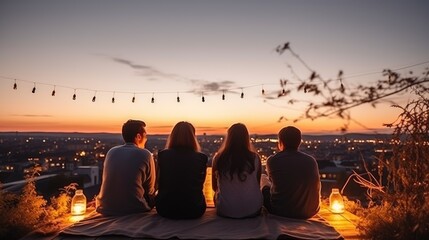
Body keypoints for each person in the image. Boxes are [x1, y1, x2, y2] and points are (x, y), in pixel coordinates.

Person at [96, 119, 156, 216]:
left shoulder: (111, 151)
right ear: (138, 136)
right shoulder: (146, 154)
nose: (146, 140)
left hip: (105, 207)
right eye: (145, 136)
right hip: (136, 209)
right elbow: (149, 190)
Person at [262, 126, 321, 219]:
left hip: (280, 211)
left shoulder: (272, 160)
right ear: (299, 142)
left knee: (263, 181)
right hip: (311, 212)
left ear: (280, 142)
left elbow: (273, 182)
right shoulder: (311, 160)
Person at [155, 121, 208, 219]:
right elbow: (201, 183)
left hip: (165, 209)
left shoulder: (163, 156)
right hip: (194, 210)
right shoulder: (201, 158)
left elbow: (158, 182)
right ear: (193, 137)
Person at [212, 123, 263, 218]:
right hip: (252, 210)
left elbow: (214, 187)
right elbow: (257, 184)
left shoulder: (218, 158)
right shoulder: (255, 158)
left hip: (225, 211)